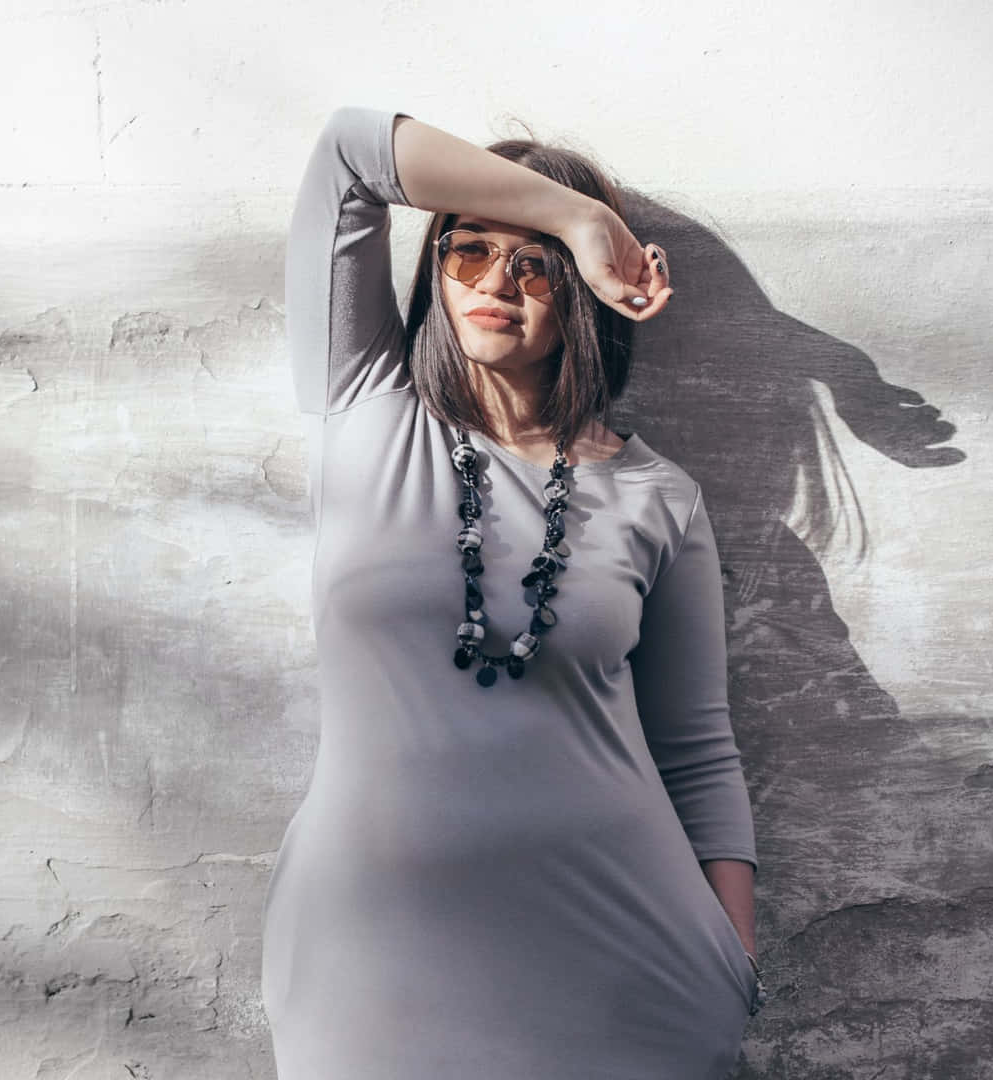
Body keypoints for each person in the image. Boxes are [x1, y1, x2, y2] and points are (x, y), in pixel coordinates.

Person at [259, 105, 764, 1079]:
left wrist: (736, 960)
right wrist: (573, 216)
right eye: (469, 249)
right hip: (366, 966)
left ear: (579, 295)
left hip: (628, 977)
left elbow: (699, 754)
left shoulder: (660, 499)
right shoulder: (363, 407)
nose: (498, 280)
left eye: (536, 262)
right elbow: (350, 152)